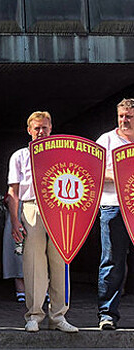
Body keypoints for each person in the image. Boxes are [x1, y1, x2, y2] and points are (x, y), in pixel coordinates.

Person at [7, 111, 78, 333]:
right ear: (29, 130)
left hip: (59, 209)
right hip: (32, 208)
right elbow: (13, 191)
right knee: (34, 264)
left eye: (45, 127)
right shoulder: (19, 155)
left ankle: (59, 316)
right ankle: (34, 315)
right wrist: (14, 220)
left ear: (51, 129)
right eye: (37, 128)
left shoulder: (62, 154)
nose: (41, 132)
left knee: (60, 263)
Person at [96, 98, 134, 330]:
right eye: (121, 116)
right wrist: (123, 175)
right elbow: (94, 174)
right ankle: (107, 315)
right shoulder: (106, 140)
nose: (124, 120)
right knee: (112, 261)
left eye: (128, 116)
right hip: (113, 206)